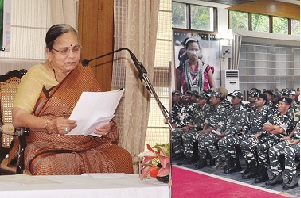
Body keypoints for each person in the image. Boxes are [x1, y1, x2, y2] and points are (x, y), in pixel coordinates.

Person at [10, 24, 133, 175]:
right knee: (49, 167)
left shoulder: (84, 74)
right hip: (47, 145)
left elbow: (100, 110)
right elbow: (18, 117)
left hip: (87, 144)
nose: (72, 55)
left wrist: (105, 125)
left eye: (76, 49)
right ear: (49, 52)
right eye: (64, 51)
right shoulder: (37, 74)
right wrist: (51, 124)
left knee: (122, 158)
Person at [218, 90, 249, 174]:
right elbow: (225, 122)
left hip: (239, 133)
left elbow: (239, 126)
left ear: (239, 99)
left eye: (234, 98)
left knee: (226, 141)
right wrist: (221, 131)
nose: (232, 99)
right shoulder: (230, 109)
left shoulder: (243, 110)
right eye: (232, 98)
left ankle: (235, 165)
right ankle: (229, 163)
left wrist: (226, 133)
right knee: (222, 141)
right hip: (229, 133)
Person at [266, 120, 299, 190]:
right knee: (273, 150)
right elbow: (297, 127)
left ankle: (292, 178)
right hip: (294, 139)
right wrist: (289, 136)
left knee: (289, 150)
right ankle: (277, 175)